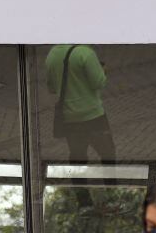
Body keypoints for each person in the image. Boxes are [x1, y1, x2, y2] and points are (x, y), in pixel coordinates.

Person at [45, 44, 115, 207]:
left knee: (78, 157)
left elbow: (51, 88)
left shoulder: (52, 55)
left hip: (69, 118)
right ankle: (111, 195)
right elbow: (99, 83)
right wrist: (102, 70)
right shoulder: (85, 53)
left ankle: (84, 201)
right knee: (108, 154)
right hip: (94, 116)